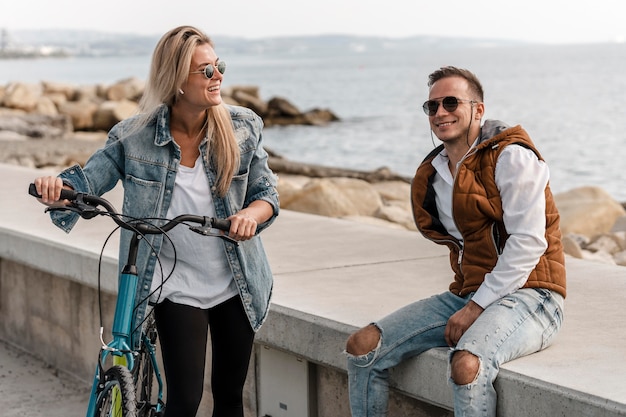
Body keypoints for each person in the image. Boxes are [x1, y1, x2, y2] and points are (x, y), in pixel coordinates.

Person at [33, 25, 279, 417]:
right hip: (174, 283)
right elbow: (88, 181)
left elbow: (267, 194)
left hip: (236, 281)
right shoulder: (134, 135)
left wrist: (251, 215)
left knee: (230, 397)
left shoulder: (241, 126)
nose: (218, 77)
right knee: (185, 401)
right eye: (206, 71)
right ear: (177, 80)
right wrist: (56, 187)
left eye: (219, 66)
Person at [345, 66, 566, 416]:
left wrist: (475, 309)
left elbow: (528, 243)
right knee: (363, 347)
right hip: (471, 293)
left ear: (478, 110)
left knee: (466, 364)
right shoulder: (435, 173)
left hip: (533, 295)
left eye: (451, 102)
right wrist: (472, 301)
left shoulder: (511, 156)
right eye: (432, 107)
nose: (440, 113)